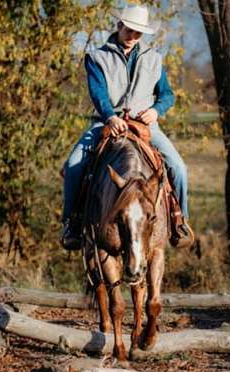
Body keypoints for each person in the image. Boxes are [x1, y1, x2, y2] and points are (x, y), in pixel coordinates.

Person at [61, 4, 193, 250]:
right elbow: (98, 92)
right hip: (106, 123)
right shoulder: (97, 57)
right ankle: (72, 222)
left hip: (145, 126)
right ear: (119, 26)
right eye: (130, 30)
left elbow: (167, 94)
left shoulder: (153, 59)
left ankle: (179, 221)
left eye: (138, 33)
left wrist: (156, 110)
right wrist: (110, 116)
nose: (133, 37)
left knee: (179, 168)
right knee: (73, 165)